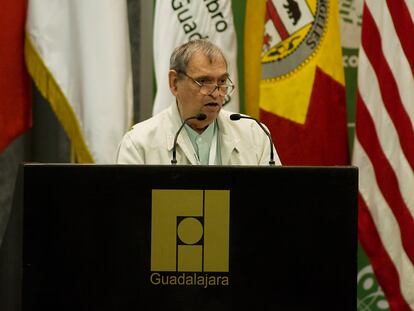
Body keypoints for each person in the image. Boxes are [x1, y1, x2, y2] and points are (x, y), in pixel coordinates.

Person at [116, 39, 281, 165]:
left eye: (222, 82)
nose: (216, 93)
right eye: (203, 81)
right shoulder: (138, 144)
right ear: (174, 83)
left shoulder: (255, 135)